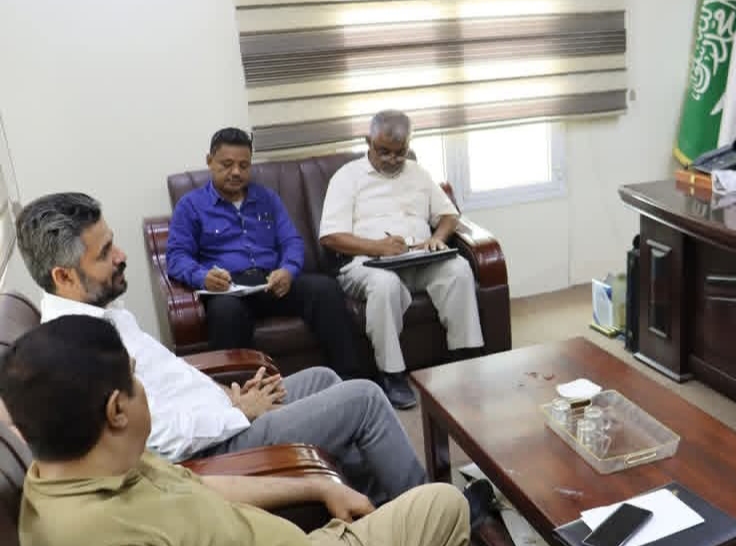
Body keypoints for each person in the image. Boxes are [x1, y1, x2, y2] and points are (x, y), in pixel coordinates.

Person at [3, 315, 541, 546]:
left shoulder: (87, 455)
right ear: (117, 410)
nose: (145, 392)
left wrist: (315, 485)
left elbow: (200, 484)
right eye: (137, 381)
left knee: (445, 505)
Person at [14, 191, 430, 508]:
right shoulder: (79, 352)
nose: (121, 257)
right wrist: (237, 413)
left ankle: (377, 500)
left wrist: (225, 396)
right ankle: (429, 507)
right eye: (105, 253)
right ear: (65, 277)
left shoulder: (103, 312)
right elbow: (156, 440)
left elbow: (168, 381)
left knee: (323, 378)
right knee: (364, 398)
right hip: (215, 451)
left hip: (221, 415)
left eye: (113, 243)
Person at [167, 127, 365, 379]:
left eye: (243, 165)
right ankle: (241, 395)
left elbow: (292, 241)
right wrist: (202, 277)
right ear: (209, 161)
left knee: (324, 289)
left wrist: (288, 270)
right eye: (227, 164)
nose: (236, 172)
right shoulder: (191, 205)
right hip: (229, 290)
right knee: (225, 313)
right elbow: (176, 257)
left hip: (271, 283)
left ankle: (350, 379)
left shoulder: (266, 198)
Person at [319, 110, 484, 410]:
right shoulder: (346, 177)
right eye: (384, 151)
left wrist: (438, 238)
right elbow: (330, 237)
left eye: (400, 152)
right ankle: (392, 375)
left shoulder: (418, 173)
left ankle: (465, 361)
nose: (393, 159)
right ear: (368, 141)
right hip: (366, 264)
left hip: (418, 259)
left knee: (459, 269)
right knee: (384, 285)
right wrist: (377, 247)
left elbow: (449, 215)